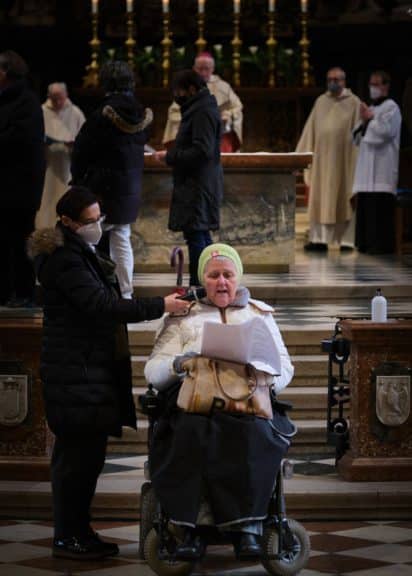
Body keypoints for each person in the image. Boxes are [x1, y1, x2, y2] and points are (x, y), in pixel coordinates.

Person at [28, 186, 190, 560]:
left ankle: (78, 531)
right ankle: (68, 538)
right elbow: (101, 305)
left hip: (84, 372)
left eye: (99, 217)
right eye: (89, 221)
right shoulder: (64, 258)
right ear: (66, 221)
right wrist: (160, 305)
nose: (96, 226)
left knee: (86, 461)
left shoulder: (76, 250)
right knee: (76, 464)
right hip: (76, 375)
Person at [144, 243, 294, 560]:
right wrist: (178, 364)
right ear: (203, 279)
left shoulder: (259, 313)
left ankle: (248, 530)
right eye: (214, 276)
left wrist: (262, 377)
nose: (222, 282)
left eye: (228, 274)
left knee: (251, 431)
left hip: (248, 402)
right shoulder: (183, 314)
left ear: (237, 277)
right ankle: (194, 531)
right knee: (193, 431)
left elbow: (285, 365)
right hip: (194, 403)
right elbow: (153, 371)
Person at [71, 60, 152, 299]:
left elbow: (82, 150)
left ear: (105, 83)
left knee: (88, 239)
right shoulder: (140, 115)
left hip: (101, 190)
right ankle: (126, 294)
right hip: (130, 189)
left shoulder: (101, 116)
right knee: (122, 240)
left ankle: (90, 290)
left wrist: (78, 181)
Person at [154, 69, 223, 287]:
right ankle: (206, 284)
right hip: (195, 182)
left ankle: (200, 286)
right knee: (199, 234)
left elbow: (202, 150)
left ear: (191, 89)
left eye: (179, 91)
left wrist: (170, 156)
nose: (177, 96)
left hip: (197, 184)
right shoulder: (199, 108)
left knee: (197, 236)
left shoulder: (202, 111)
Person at [296, 67, 361, 251]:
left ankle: (346, 241)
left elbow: (359, 135)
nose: (333, 83)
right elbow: (310, 131)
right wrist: (301, 157)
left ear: (344, 81)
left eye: (337, 79)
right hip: (322, 162)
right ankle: (319, 239)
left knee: (343, 198)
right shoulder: (321, 102)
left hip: (344, 161)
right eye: (329, 79)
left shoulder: (354, 102)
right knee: (321, 199)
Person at [0, 49, 45, 307]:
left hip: (19, 188)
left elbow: (20, 141)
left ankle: (23, 292)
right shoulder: (7, 99)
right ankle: (4, 291)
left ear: (5, 72)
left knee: (19, 242)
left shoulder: (25, 102)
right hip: (6, 186)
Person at [352, 70, 402, 254]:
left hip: (382, 169)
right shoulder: (371, 108)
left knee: (379, 209)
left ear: (386, 86)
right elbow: (356, 138)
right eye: (371, 84)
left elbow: (385, 133)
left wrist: (370, 120)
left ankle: (380, 246)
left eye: (376, 84)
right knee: (366, 207)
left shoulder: (392, 108)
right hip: (366, 171)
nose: (372, 88)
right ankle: (364, 243)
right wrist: (365, 121)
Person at [163, 52, 243, 152]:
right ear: (194, 68)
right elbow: (174, 112)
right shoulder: (187, 86)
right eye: (200, 69)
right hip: (192, 135)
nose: (203, 73)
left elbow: (237, 107)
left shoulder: (224, 87)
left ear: (213, 69)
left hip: (218, 135)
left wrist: (228, 115)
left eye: (207, 69)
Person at [36, 82, 85, 229]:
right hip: (47, 164)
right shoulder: (41, 111)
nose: (57, 102)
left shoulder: (75, 112)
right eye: (54, 98)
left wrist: (74, 145)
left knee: (65, 196)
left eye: (60, 98)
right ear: (48, 97)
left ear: (66, 96)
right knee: (47, 198)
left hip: (67, 165)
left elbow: (84, 138)